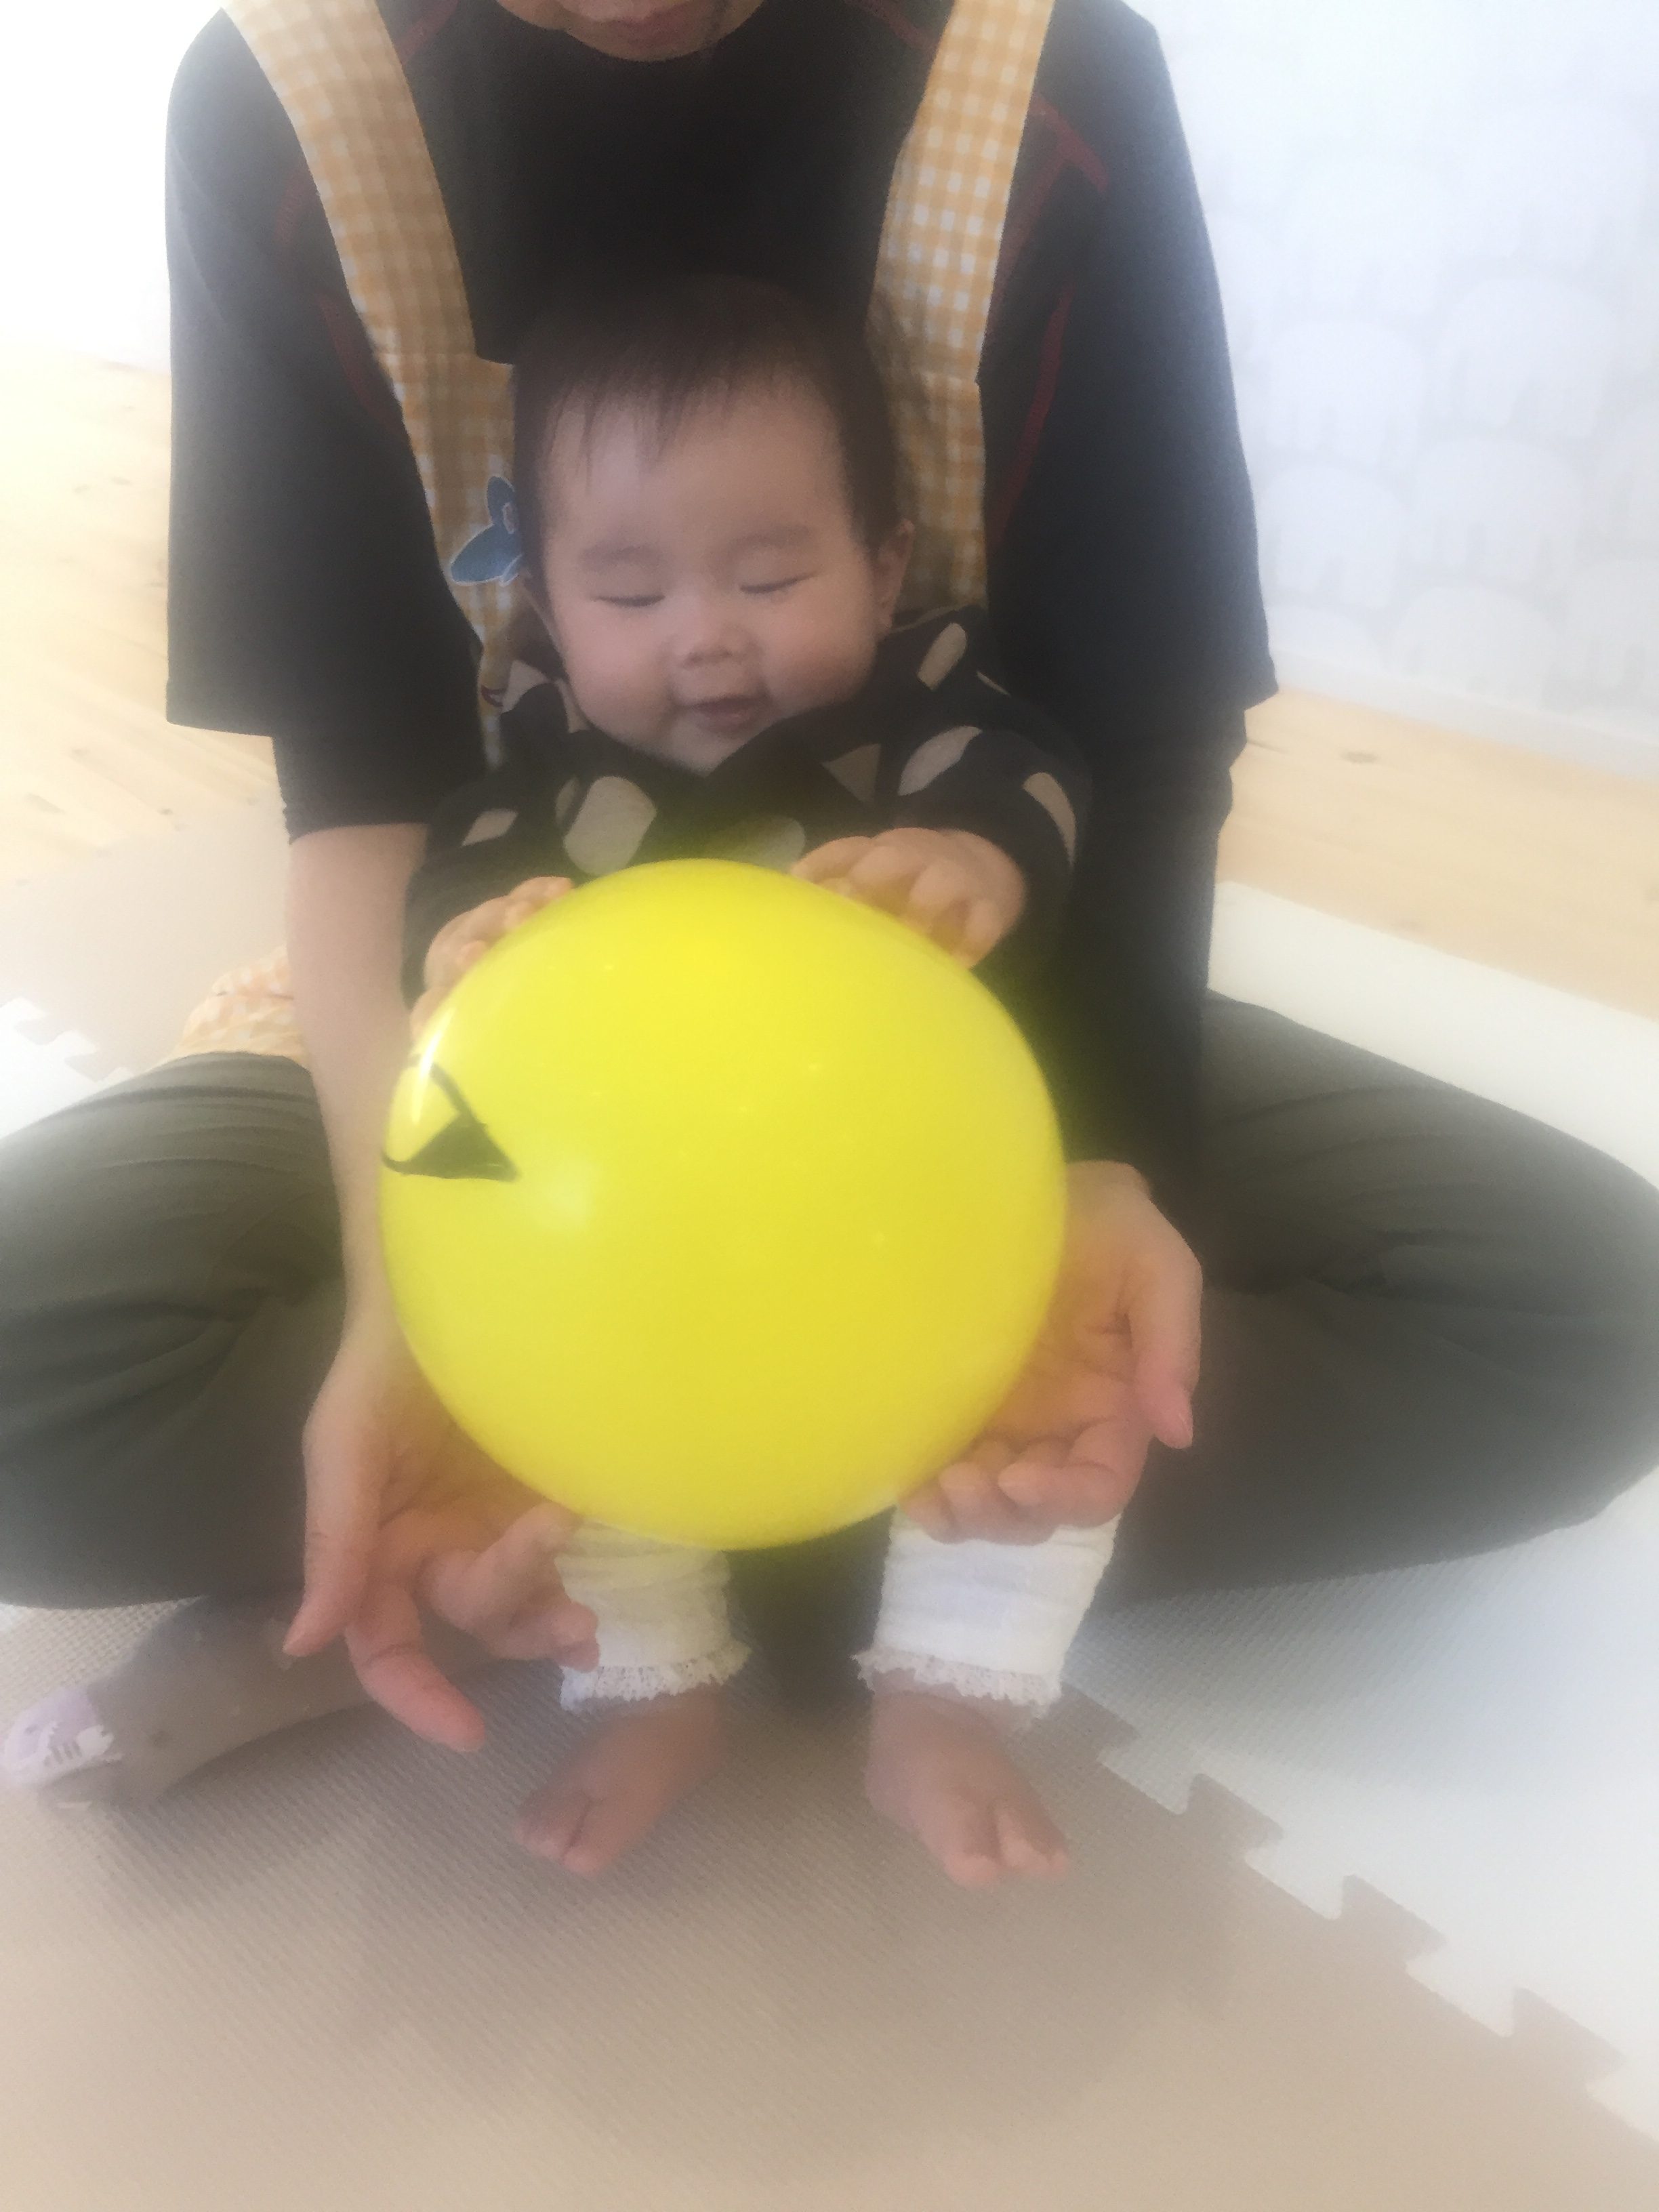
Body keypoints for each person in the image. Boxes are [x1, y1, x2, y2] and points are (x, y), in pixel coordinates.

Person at [3, 0, 1658, 1851]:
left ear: (876, 566)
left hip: (973, 1058)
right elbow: (383, 809)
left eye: (771, 574)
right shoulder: (289, 107)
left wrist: (1097, 1164)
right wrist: (428, 1304)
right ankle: (750, 1530)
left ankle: (636, 1546)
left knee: (1590, 1304)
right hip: (485, 1103)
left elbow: (1125, 741)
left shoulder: (1046, 85)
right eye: (630, 592)